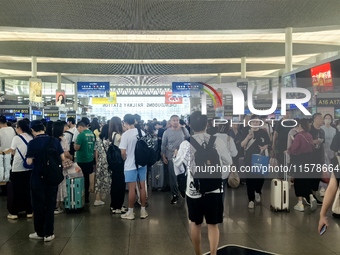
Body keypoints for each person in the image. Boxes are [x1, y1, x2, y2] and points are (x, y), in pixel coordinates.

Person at [173, 111, 232, 255]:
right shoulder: (217, 141)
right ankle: (213, 253)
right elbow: (228, 162)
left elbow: (178, 167)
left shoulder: (186, 144)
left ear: (190, 125)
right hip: (214, 189)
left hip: (194, 190)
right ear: (207, 124)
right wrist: (219, 177)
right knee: (213, 224)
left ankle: (198, 253)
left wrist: (178, 160)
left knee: (195, 223)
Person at [26, 120, 65, 242]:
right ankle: (49, 233)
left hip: (38, 178)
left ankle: (39, 232)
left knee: (38, 205)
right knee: (50, 205)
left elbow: (29, 162)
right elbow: (62, 158)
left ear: (32, 130)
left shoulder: (32, 143)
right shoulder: (54, 140)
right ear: (43, 128)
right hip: (52, 178)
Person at [119, 114, 148, 220]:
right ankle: (143, 211)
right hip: (142, 163)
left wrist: (125, 158)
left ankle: (130, 212)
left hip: (130, 165)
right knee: (142, 187)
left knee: (132, 189)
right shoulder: (142, 132)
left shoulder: (125, 135)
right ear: (134, 121)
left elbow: (123, 152)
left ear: (125, 123)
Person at [4, 120, 33, 219]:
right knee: (27, 190)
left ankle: (14, 212)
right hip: (29, 167)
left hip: (17, 167)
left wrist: (3, 152)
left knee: (16, 191)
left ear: (19, 128)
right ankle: (29, 211)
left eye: (16, 127)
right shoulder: (31, 137)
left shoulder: (16, 138)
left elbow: (12, 150)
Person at [240, 115, 270, 209]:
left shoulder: (263, 132)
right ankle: (251, 200)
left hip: (260, 158)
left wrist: (264, 147)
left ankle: (257, 191)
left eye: (257, 121)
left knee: (261, 177)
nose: (255, 123)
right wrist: (248, 138)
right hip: (249, 158)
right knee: (250, 179)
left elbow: (268, 143)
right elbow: (242, 144)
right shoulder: (245, 131)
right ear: (250, 122)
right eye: (254, 121)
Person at [287, 119, 315, 212]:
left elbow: (294, 150)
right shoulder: (309, 135)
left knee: (298, 181)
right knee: (306, 179)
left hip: (300, 160)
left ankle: (300, 203)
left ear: (300, 126)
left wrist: (289, 150)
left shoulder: (299, 136)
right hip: (309, 160)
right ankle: (311, 197)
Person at [161, 115, 190, 204]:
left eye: (177, 120)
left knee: (183, 175)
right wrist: (163, 155)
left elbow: (189, 141)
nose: (175, 122)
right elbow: (163, 145)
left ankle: (183, 190)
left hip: (183, 157)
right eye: (173, 120)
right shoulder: (166, 132)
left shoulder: (184, 130)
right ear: (170, 121)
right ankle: (174, 194)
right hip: (171, 156)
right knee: (173, 176)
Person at [53, 121, 72, 214]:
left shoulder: (50, 139)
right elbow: (66, 153)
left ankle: (53, 205)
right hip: (61, 165)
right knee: (61, 184)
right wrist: (72, 158)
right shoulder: (62, 139)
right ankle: (58, 205)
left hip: (53, 164)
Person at [108, 116, 126, 214]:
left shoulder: (112, 134)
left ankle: (114, 205)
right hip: (119, 163)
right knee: (120, 184)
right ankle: (117, 206)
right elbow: (124, 148)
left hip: (114, 163)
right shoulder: (118, 136)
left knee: (115, 183)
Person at [74, 121, 95, 204]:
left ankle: (80, 196)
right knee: (87, 179)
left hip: (81, 160)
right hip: (90, 158)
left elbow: (77, 148)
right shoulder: (91, 133)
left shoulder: (81, 135)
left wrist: (74, 145)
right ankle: (87, 197)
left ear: (80, 127)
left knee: (80, 178)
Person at [93, 124, 112, 206]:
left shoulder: (98, 139)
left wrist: (97, 162)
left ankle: (97, 198)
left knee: (98, 179)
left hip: (100, 161)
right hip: (109, 161)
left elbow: (96, 152)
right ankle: (111, 197)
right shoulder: (110, 140)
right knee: (109, 178)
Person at [320, 114, 337, 196]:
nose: (327, 120)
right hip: (323, 150)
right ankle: (322, 187)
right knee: (324, 168)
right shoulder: (321, 129)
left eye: (329, 118)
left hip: (332, 151)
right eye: (326, 118)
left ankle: (330, 186)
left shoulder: (334, 130)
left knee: (331, 169)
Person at [0, 115, 16, 182]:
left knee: (3, 175)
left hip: (2, 155)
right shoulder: (12, 129)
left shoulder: (0, 131)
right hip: (12, 154)